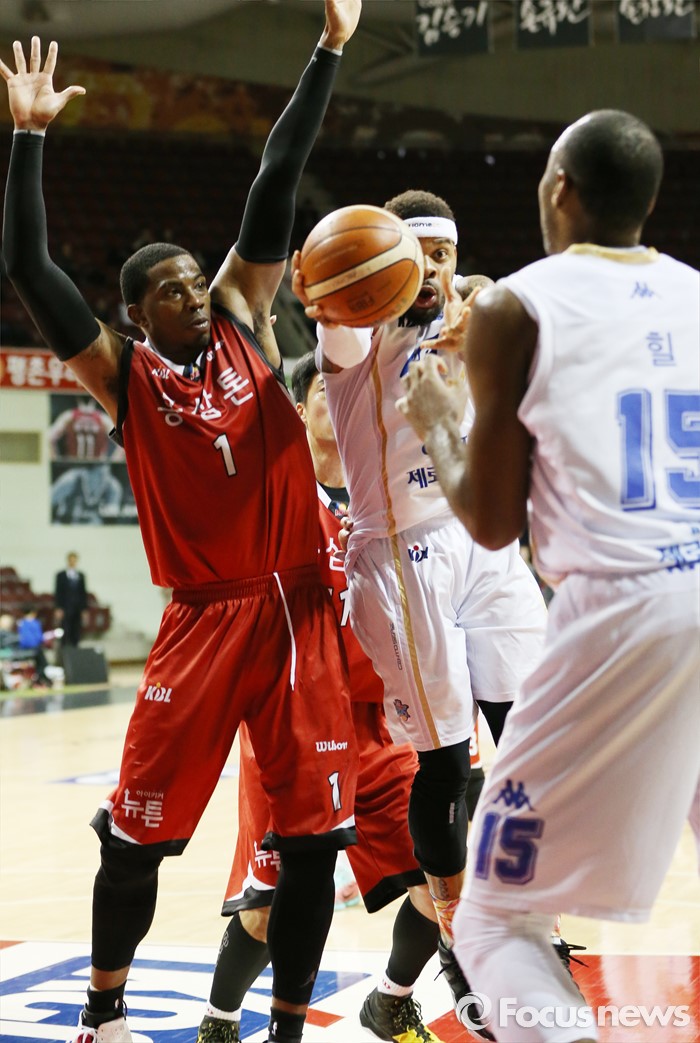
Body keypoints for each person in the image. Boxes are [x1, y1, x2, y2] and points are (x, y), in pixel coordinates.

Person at [1, 8, 361, 1043]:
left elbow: (275, 179)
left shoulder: (245, 317)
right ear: (135, 312)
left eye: (198, 279)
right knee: (136, 840)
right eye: (170, 289)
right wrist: (28, 137)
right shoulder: (123, 376)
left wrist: (329, 50)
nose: (195, 293)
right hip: (204, 620)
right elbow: (28, 266)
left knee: (314, 844)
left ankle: (285, 1025)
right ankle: (102, 1012)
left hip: (299, 610)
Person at [396, 110, 700, 1043]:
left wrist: (438, 419)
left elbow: (491, 521)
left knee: (493, 919)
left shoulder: (516, 306)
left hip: (620, 610)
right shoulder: (694, 291)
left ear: (558, 188)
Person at [292, 189, 550, 1035]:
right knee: (447, 768)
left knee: (533, 738)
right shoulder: (355, 335)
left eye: (444, 255)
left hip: (485, 538)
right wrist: (326, 288)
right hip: (403, 558)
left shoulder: (477, 317)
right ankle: (459, 939)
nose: (432, 269)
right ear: (387, 264)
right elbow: (340, 306)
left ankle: (524, 913)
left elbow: (507, 309)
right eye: (416, 254)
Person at [198, 351, 474, 1043]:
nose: (344, 398)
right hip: (290, 721)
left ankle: (391, 999)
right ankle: (220, 1020)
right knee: (268, 906)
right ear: (297, 409)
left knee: (440, 883)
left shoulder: (388, 497)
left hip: (379, 725)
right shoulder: (274, 492)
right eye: (328, 387)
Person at [51, 463, 125, 525]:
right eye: (96, 476)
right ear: (85, 473)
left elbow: (111, 520)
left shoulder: (113, 488)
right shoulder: (70, 480)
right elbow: (47, 502)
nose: (100, 481)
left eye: (103, 476)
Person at [54, 551, 88, 646]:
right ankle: (64, 649)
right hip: (65, 607)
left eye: (74, 560)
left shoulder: (81, 576)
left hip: (77, 607)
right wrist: (58, 607)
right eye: (71, 560)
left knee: (76, 630)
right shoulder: (61, 575)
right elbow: (58, 592)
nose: (72, 562)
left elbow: (83, 593)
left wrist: (84, 609)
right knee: (65, 629)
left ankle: (75, 649)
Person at [16, 603, 51, 687]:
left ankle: (38, 679)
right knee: (43, 664)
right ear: (33, 612)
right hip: (36, 648)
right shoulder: (35, 623)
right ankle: (40, 680)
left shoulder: (21, 623)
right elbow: (39, 637)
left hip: (24, 649)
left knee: (35, 664)